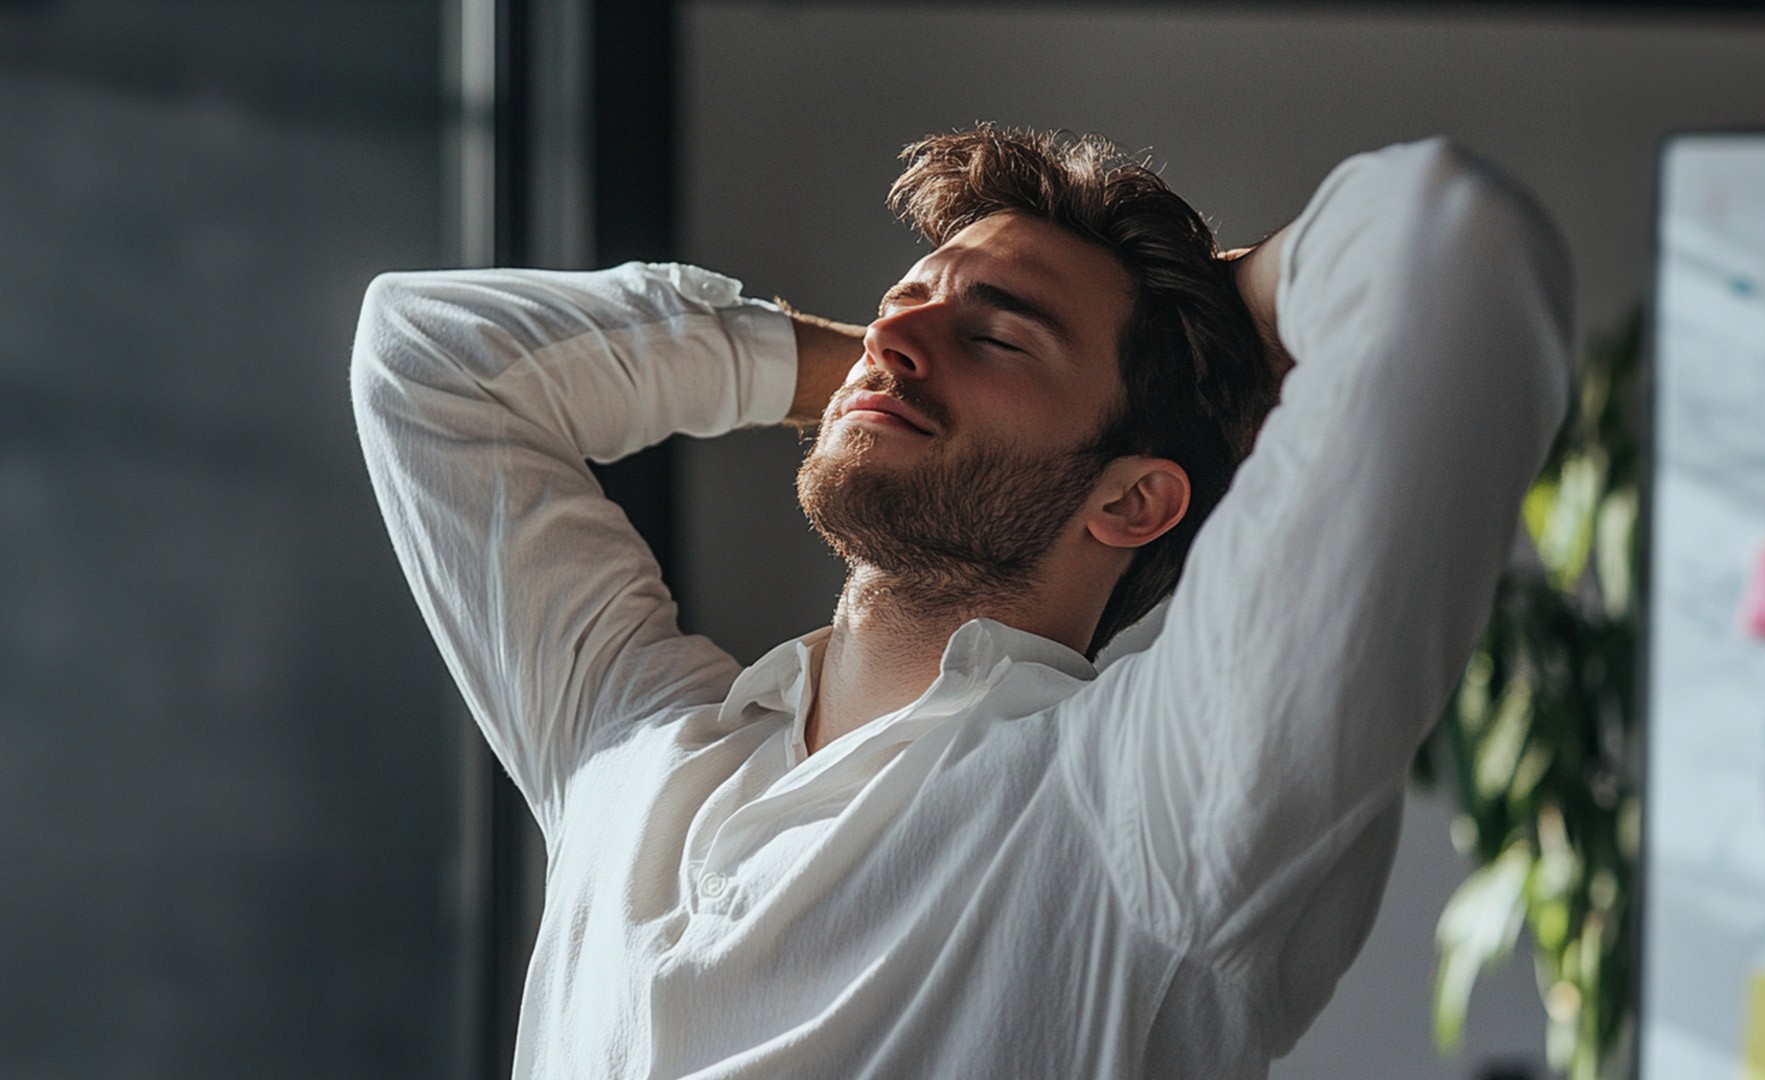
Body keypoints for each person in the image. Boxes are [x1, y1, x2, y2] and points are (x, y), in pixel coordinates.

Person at [351, 126, 1571, 1078]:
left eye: (1002, 336)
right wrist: (864, 379)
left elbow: (1451, 245)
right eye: (902, 303)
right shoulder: (633, 747)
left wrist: (1229, 308)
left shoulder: (1139, 809)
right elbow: (427, 361)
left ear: (1134, 500)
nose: (902, 334)